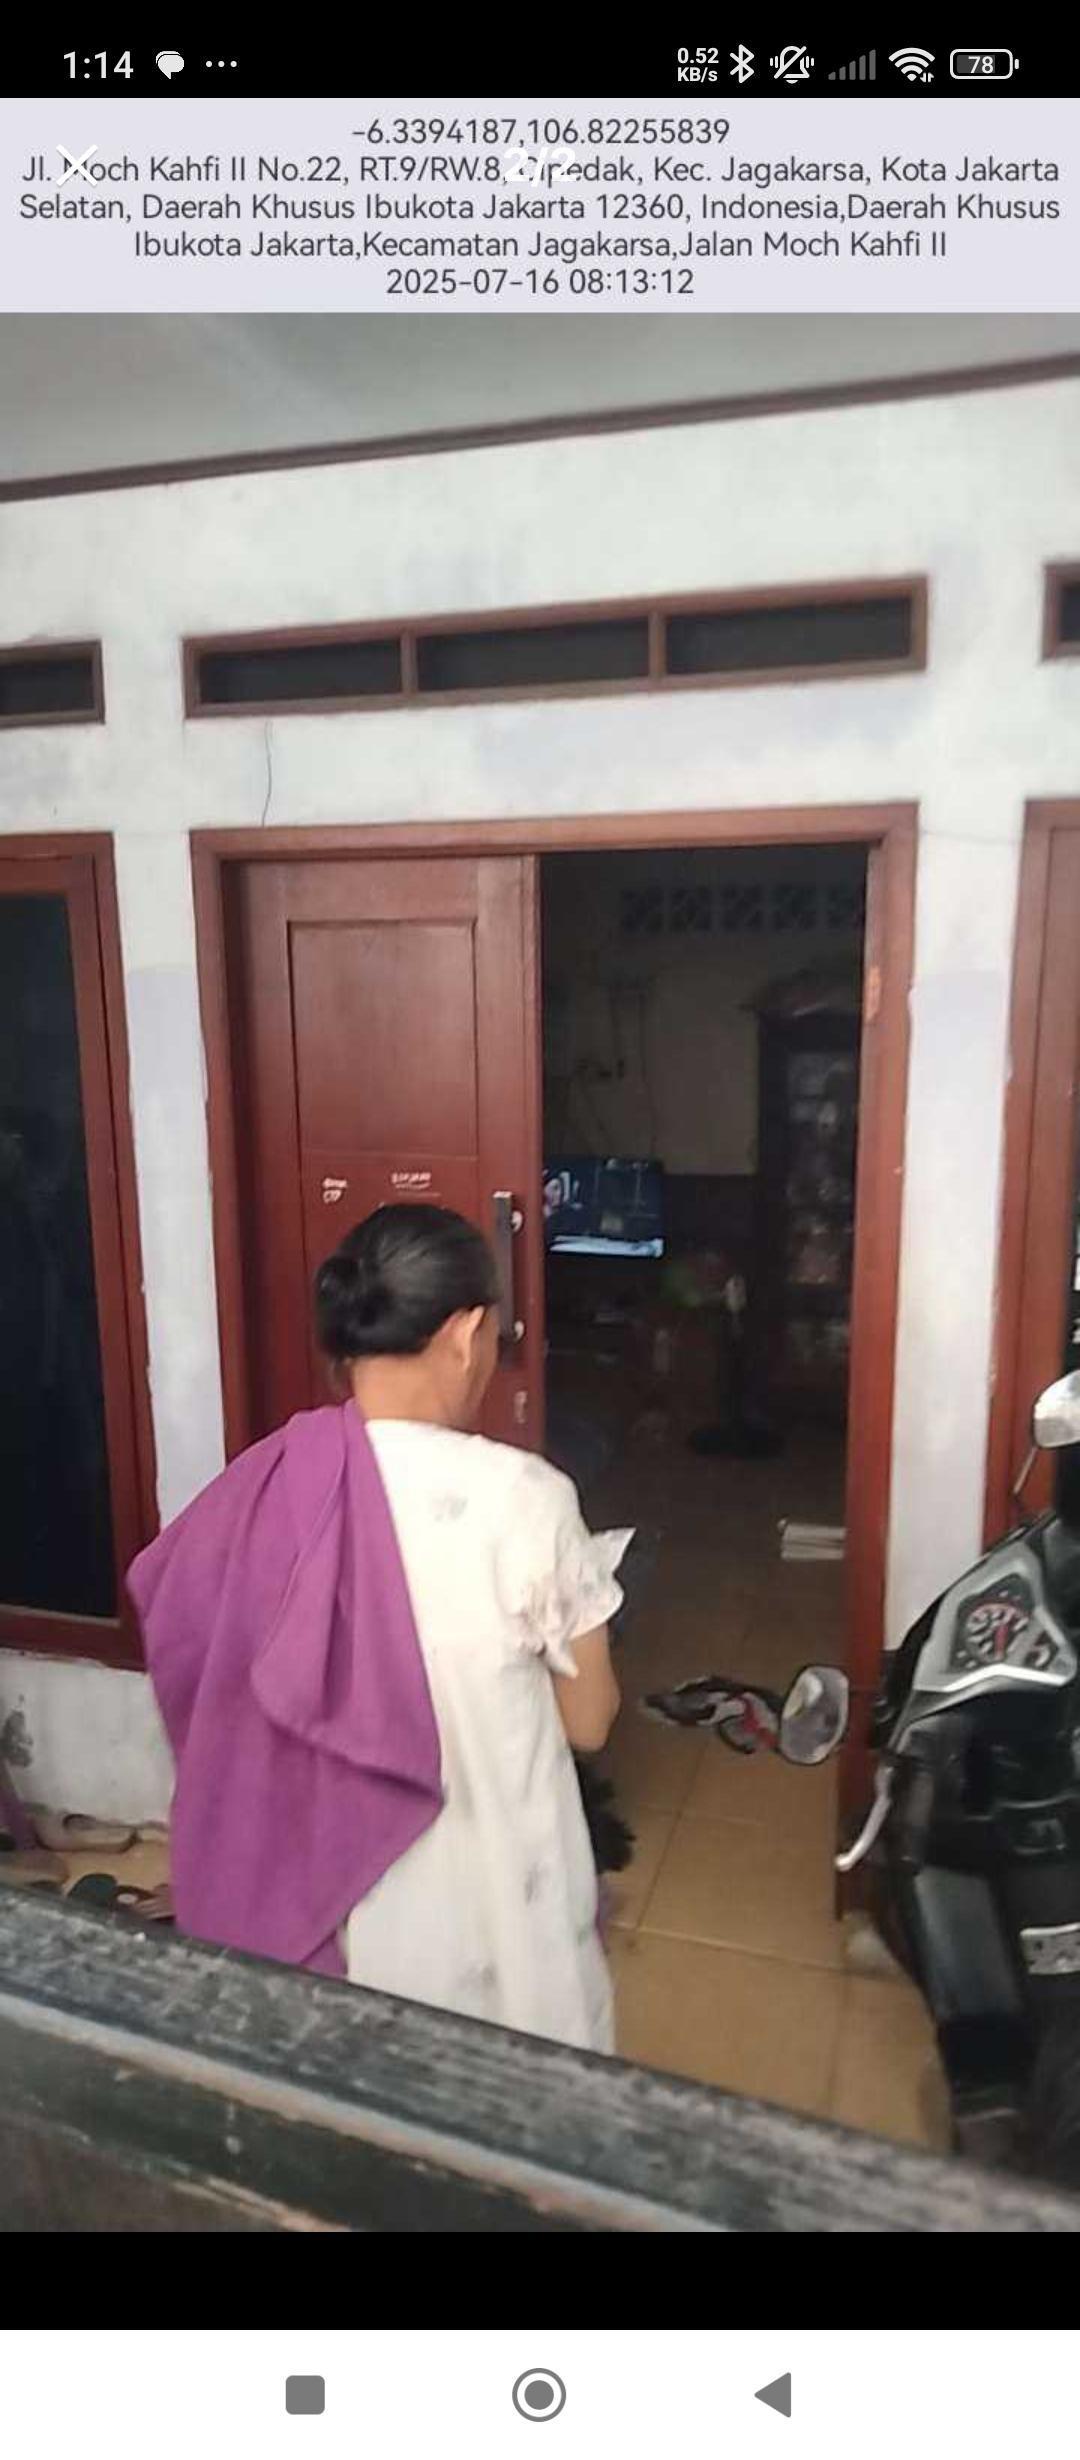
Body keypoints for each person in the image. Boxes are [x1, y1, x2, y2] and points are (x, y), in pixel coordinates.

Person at [129, 1203, 629, 2057]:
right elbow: (590, 1722)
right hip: (495, 1901)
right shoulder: (525, 1499)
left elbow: (191, 1646)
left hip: (335, 1895)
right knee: (518, 2088)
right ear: (466, 1334)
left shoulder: (263, 1486)